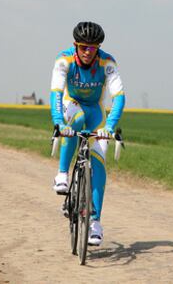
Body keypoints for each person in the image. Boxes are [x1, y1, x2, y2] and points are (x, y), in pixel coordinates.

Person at [50, 21, 125, 246]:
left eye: (92, 48)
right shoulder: (64, 60)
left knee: (99, 163)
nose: (87, 52)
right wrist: (58, 122)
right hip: (71, 104)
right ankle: (62, 173)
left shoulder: (107, 62)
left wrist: (109, 127)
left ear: (98, 48)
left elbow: (119, 96)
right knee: (77, 122)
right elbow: (55, 92)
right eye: (83, 47)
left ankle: (95, 222)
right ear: (75, 45)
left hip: (96, 111)